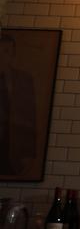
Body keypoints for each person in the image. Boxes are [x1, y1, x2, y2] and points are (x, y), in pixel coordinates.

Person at [0, 33, 37, 177]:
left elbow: (30, 116)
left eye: (7, 51)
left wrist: (30, 152)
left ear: (13, 55)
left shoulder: (24, 79)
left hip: (14, 147)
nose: (2, 56)